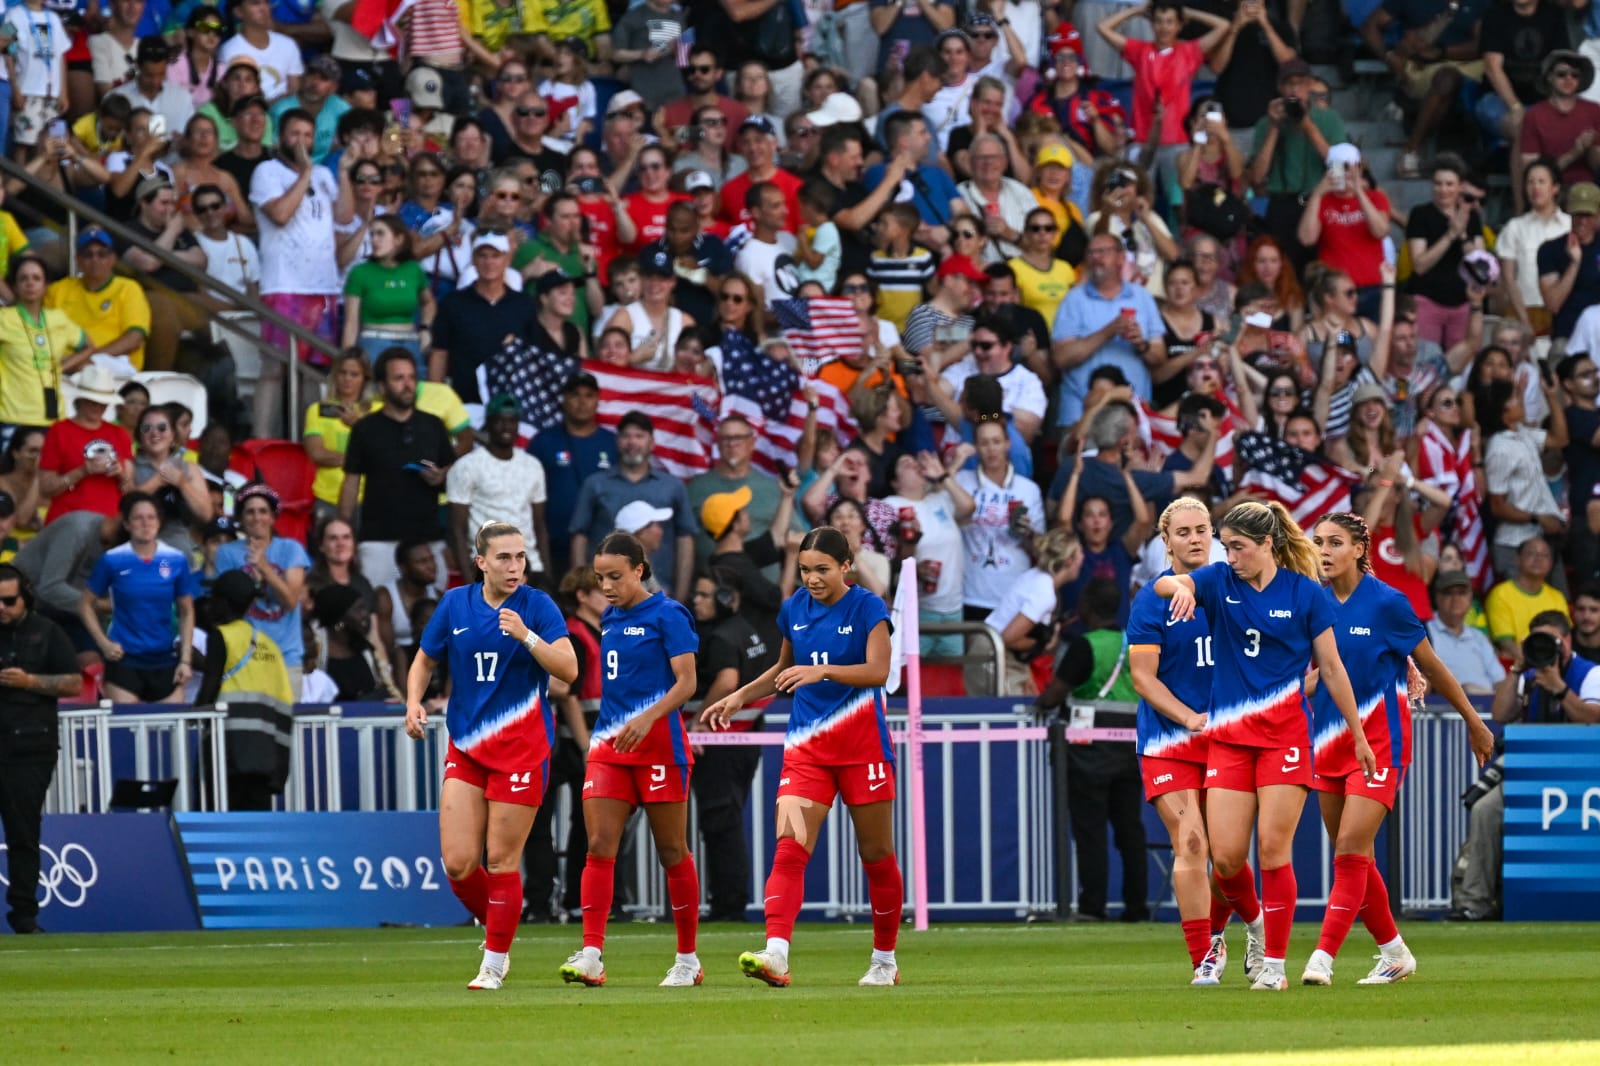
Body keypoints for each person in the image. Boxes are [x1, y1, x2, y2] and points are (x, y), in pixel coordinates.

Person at [1155, 500, 1374, 991]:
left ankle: (1274, 965)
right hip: (1231, 741)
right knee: (1228, 859)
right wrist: (1181, 589)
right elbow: (1166, 583)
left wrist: (1357, 733)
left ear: (1267, 545)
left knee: (1274, 851)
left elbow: (1333, 669)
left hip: (1285, 740)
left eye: (1239, 547)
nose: (1229, 555)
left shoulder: (1305, 594)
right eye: (1225, 546)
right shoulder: (1218, 580)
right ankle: (1254, 925)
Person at [702, 525, 903, 988]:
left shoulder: (868, 606)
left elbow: (879, 671)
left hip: (862, 750)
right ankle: (776, 953)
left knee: (876, 855)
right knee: (789, 850)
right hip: (807, 752)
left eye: (822, 570)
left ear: (846, 566)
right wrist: (740, 697)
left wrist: (823, 670)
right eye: (805, 569)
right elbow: (782, 670)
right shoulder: (793, 608)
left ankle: (885, 960)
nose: (811, 579)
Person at [1303, 512, 1495, 986]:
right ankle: (1394, 952)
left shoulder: (1389, 603)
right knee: (1356, 858)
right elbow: (1317, 672)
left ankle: (1321, 958)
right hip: (1327, 740)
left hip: (1382, 742)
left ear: (1359, 550)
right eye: (1319, 542)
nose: (1324, 551)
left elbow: (1433, 666)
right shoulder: (1315, 603)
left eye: (1334, 543)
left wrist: (1474, 721)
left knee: (1349, 850)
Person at [403, 521, 577, 990]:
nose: (515, 566)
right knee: (459, 863)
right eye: (504, 557)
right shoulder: (455, 603)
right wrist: (413, 700)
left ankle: (494, 962)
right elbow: (424, 657)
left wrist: (527, 637)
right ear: (481, 562)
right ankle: (502, 923)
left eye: (520, 557)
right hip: (468, 746)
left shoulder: (537, 607)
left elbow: (570, 669)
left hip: (521, 750)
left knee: (502, 861)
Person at [1127, 498, 1261, 982]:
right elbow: (1143, 678)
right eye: (1183, 532)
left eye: (1203, 529)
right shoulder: (1152, 599)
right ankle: (1203, 955)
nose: (1196, 538)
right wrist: (1189, 718)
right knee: (1191, 842)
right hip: (1169, 737)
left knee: (1227, 858)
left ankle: (1239, 930)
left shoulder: (1238, 587)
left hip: (1228, 738)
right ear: (1166, 541)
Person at [559, 531, 701, 988]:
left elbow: (687, 682)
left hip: (660, 747)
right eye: (600, 578)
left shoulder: (669, 614)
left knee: (671, 851)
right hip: (610, 747)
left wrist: (648, 718)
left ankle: (687, 959)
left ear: (640, 570)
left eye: (615, 576)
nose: (606, 586)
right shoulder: (612, 617)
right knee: (598, 843)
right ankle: (592, 953)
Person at [688, 567, 775, 921]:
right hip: (744, 738)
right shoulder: (747, 630)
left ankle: (728, 904)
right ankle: (729, 899)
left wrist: (699, 722)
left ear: (726, 599)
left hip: (721, 742)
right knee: (728, 819)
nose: (696, 600)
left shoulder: (722, 636)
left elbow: (726, 681)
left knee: (719, 820)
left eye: (705, 595)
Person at [0, 562, 79, 933]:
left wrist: (29, 681)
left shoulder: (48, 633)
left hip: (29, 750)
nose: (1, 608)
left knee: (23, 832)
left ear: (26, 598)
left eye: (9, 601)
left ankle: (24, 914)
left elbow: (73, 683)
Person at [339, 350, 454, 592]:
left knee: (432, 621)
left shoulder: (433, 426)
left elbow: (452, 476)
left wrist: (441, 477)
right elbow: (351, 485)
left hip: (428, 542)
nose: (407, 385)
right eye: (399, 378)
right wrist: (346, 537)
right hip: (379, 543)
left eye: (412, 378)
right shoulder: (364, 429)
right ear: (382, 386)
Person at [79, 492, 198, 702]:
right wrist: (104, 644)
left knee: (171, 730)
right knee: (125, 730)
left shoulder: (175, 559)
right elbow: (85, 605)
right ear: (127, 524)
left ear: (159, 523)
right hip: (124, 658)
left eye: (151, 517)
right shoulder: (113, 559)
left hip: (164, 657)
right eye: (138, 517)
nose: (146, 523)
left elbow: (186, 610)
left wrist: (185, 660)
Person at [214, 483, 312, 693]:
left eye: (263, 511)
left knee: (287, 724)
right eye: (249, 512)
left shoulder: (291, 549)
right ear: (240, 519)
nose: (257, 517)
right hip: (246, 656)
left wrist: (265, 569)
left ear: (272, 517)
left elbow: (291, 601)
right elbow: (227, 606)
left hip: (287, 656)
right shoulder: (227, 553)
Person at [447, 394, 550, 580]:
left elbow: (539, 525)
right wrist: (469, 581)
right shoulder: (466, 466)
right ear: (488, 424)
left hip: (530, 565)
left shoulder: (533, 465)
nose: (506, 427)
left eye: (512, 421)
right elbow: (457, 530)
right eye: (499, 421)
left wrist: (546, 574)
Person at [0, 253, 92, 438]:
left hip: (53, 418)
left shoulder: (58, 318)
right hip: (13, 416)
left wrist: (62, 366)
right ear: (15, 287)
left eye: (36, 278)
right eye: (23, 278)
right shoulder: (4, 318)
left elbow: (88, 346)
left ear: (46, 285)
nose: (30, 283)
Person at [39, 365, 135, 525]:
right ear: (80, 400)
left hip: (108, 523)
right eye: (91, 401)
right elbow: (45, 488)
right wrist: (82, 471)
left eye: (102, 402)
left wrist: (121, 474)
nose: (97, 406)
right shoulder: (60, 431)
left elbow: (131, 492)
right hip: (66, 521)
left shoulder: (119, 434)